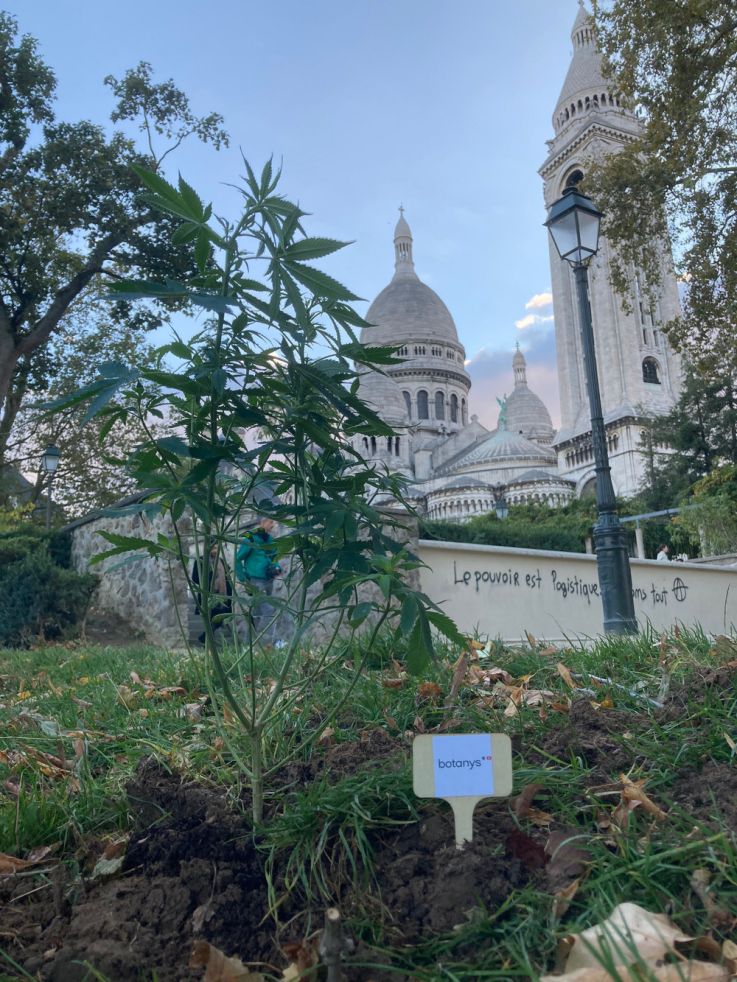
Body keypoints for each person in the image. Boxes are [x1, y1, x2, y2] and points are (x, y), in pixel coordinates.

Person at [236, 518, 282, 643]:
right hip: (255, 580)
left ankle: (248, 643)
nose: (273, 525)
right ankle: (273, 641)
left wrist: (277, 568)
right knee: (268, 609)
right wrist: (243, 578)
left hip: (269, 579)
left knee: (256, 613)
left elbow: (274, 557)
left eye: (274, 522)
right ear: (262, 522)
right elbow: (237, 559)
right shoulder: (250, 538)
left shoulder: (269, 539)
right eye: (271, 522)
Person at [192, 543, 233, 643]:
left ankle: (205, 638)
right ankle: (208, 641)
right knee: (211, 618)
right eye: (213, 547)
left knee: (219, 618)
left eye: (217, 547)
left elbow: (228, 579)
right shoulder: (201, 560)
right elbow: (195, 578)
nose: (215, 549)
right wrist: (209, 581)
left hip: (223, 597)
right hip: (208, 595)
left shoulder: (222, 562)